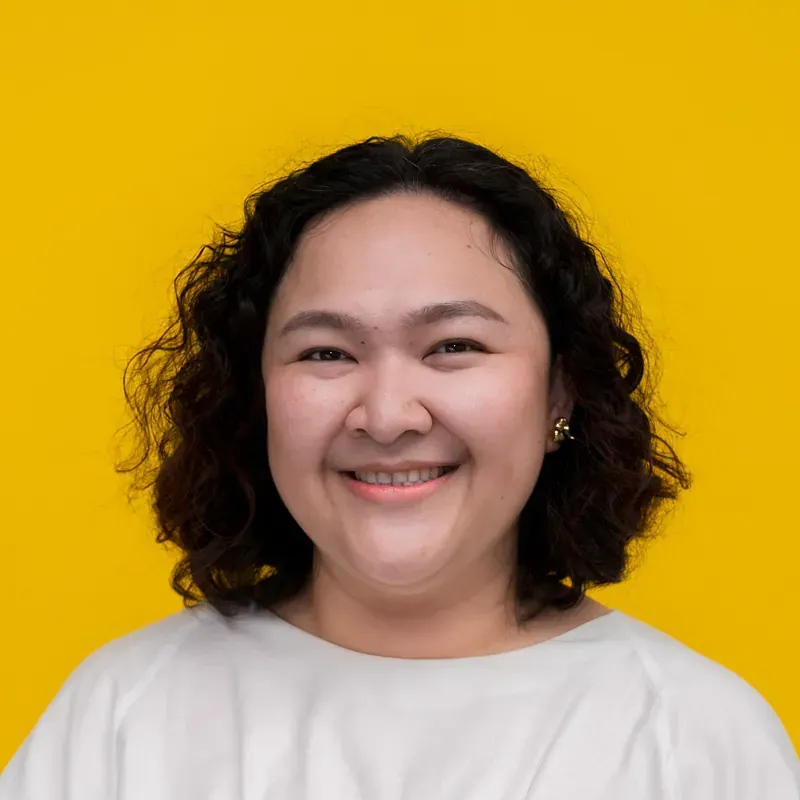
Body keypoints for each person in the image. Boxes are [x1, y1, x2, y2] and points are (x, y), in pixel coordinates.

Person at [1, 133, 798, 799]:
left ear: (562, 388)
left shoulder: (694, 739)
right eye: (326, 351)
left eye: (454, 346)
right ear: (260, 398)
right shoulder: (123, 714)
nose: (387, 416)